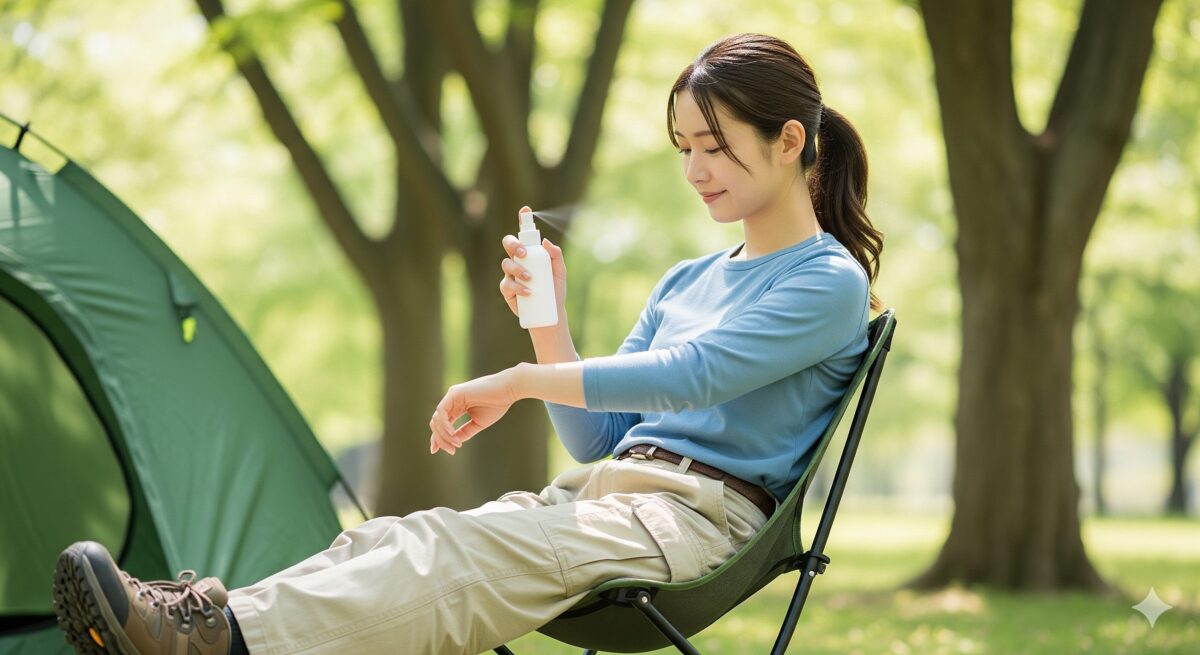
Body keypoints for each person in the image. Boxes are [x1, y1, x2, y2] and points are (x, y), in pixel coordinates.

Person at [51, 32, 883, 655]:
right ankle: (201, 623)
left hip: (694, 526)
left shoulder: (827, 281)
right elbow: (603, 436)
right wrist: (546, 325)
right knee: (388, 538)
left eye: (717, 145)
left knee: (455, 550)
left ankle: (210, 640)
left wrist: (521, 377)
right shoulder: (685, 278)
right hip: (602, 497)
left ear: (789, 140)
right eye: (686, 150)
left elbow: (693, 376)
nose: (698, 169)